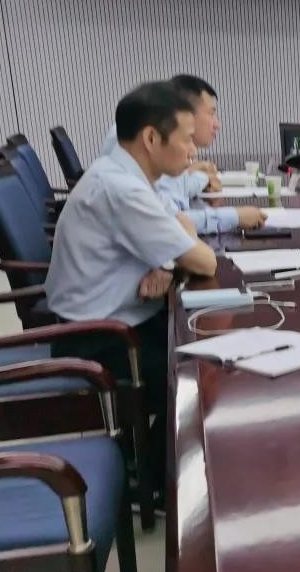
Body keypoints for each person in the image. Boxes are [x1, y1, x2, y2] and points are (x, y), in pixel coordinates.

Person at [47, 81, 219, 500]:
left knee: (206, 345)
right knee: (206, 373)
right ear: (151, 138)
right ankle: (155, 481)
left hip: (113, 320)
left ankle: (150, 465)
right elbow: (205, 261)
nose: (191, 151)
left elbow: (178, 234)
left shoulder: (124, 175)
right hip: (99, 339)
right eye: (184, 139)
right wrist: (178, 249)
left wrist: (167, 260)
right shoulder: (122, 189)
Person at [102, 74, 265, 233]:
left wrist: (202, 178)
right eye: (211, 113)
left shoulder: (149, 141)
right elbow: (169, 221)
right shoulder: (142, 143)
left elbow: (173, 200)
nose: (217, 124)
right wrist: (235, 216)